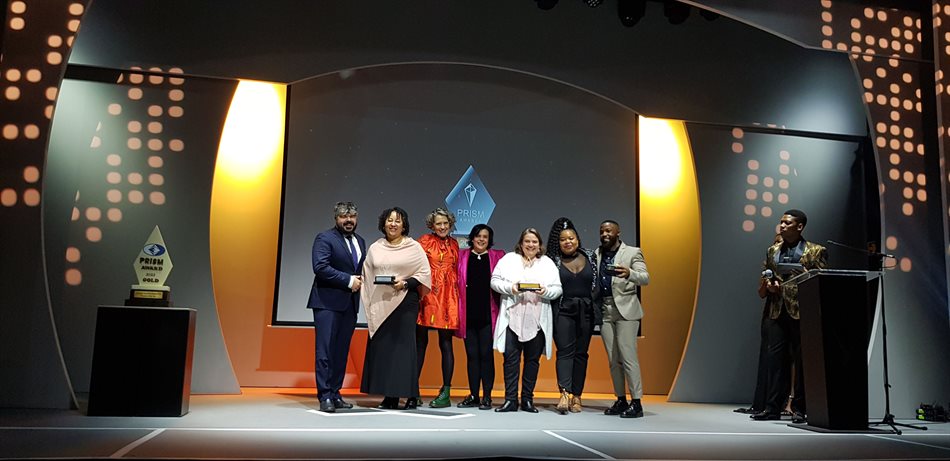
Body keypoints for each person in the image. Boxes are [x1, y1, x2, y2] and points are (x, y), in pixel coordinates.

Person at [752, 209, 827, 423]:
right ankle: (772, 408)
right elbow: (767, 276)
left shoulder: (816, 251)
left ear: (799, 226)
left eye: (787, 223)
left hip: (802, 312)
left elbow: (823, 282)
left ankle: (800, 409)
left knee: (802, 363)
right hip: (777, 311)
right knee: (775, 361)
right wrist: (771, 285)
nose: (782, 226)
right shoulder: (772, 250)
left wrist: (806, 274)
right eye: (781, 222)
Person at [360, 207, 432, 410]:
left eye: (397, 221)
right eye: (389, 220)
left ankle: (411, 395)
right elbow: (367, 275)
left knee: (403, 351)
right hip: (380, 303)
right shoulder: (375, 247)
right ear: (383, 224)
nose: (393, 224)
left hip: (405, 302)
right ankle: (389, 396)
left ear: (404, 225)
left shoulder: (414, 247)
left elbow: (424, 273)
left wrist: (406, 283)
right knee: (385, 350)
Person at [490, 228, 562, 413]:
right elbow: (494, 281)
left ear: (540, 245)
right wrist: (511, 288)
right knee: (510, 360)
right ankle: (510, 400)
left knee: (532, 361)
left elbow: (558, 289)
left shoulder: (547, 263)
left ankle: (528, 400)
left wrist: (546, 291)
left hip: (536, 320)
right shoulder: (508, 259)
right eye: (527, 241)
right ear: (521, 244)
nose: (531, 245)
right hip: (512, 318)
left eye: (534, 242)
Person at [307, 201, 366, 413]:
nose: (348, 220)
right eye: (343, 216)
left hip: (350, 304)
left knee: (341, 352)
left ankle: (335, 393)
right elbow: (320, 267)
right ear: (336, 218)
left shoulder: (360, 241)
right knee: (325, 351)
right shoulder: (324, 238)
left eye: (352, 216)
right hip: (327, 303)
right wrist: (349, 281)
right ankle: (325, 396)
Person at [596, 220, 650, 419]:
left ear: (618, 232)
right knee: (613, 359)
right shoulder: (597, 254)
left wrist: (629, 273)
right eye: (602, 231)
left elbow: (645, 278)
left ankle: (637, 402)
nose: (605, 234)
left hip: (626, 310)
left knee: (628, 356)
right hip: (605, 310)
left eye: (609, 231)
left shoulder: (633, 252)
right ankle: (621, 399)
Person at [547, 218, 599, 415]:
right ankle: (564, 393)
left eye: (571, 238)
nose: (568, 242)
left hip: (586, 312)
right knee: (564, 352)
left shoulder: (590, 256)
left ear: (577, 239)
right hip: (563, 312)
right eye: (563, 239)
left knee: (581, 354)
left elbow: (597, 285)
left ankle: (577, 396)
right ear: (558, 242)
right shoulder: (552, 261)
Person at [414, 208, 461, 409]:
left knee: (446, 344)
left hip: (448, 298)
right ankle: (412, 389)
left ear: (450, 224)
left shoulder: (455, 243)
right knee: (420, 343)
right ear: (432, 225)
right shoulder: (423, 241)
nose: (442, 227)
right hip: (427, 295)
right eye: (438, 223)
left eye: (445, 223)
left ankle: (446, 392)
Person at [456, 224, 505, 410]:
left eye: (485, 236)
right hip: (468, 315)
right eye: (478, 236)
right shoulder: (462, 256)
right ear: (472, 238)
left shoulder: (498, 257)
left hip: (488, 315)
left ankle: (487, 397)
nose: (481, 239)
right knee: (471, 356)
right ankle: (474, 395)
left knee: (486, 356)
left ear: (489, 239)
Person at [735, 234, 783, 415]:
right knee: (767, 358)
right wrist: (768, 282)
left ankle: (788, 404)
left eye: (780, 243)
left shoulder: (800, 263)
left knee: (789, 361)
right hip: (771, 313)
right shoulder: (769, 267)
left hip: (792, 315)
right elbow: (762, 294)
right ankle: (761, 404)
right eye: (775, 242)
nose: (777, 246)